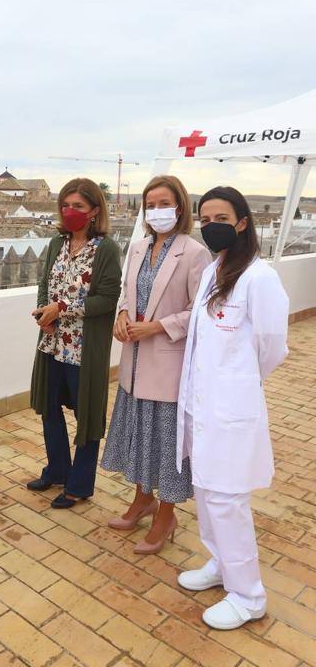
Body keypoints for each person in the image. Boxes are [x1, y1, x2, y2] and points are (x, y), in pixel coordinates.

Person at [177, 186, 289, 630]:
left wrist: (237, 383)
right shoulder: (214, 270)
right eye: (204, 218)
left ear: (242, 222)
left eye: (220, 217)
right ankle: (220, 563)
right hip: (202, 405)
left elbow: (271, 347)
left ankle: (248, 595)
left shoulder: (260, 278)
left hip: (229, 408)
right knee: (206, 491)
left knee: (227, 501)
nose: (210, 225)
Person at [101, 176, 211, 553]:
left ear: (180, 206)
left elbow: (201, 311)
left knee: (165, 444)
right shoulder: (136, 247)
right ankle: (142, 499)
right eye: (150, 204)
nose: (156, 210)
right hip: (133, 362)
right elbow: (127, 294)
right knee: (139, 436)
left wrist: (160, 326)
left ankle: (167, 514)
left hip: (167, 364)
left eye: (164, 202)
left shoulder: (194, 252)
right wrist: (121, 315)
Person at [29, 178, 121, 508]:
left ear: (95, 211)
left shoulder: (106, 249)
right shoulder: (57, 243)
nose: (70, 212)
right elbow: (44, 283)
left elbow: (108, 298)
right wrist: (45, 311)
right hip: (53, 343)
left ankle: (79, 485)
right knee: (49, 409)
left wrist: (63, 309)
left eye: (78, 206)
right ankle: (57, 470)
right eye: (65, 205)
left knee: (87, 417)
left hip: (84, 348)